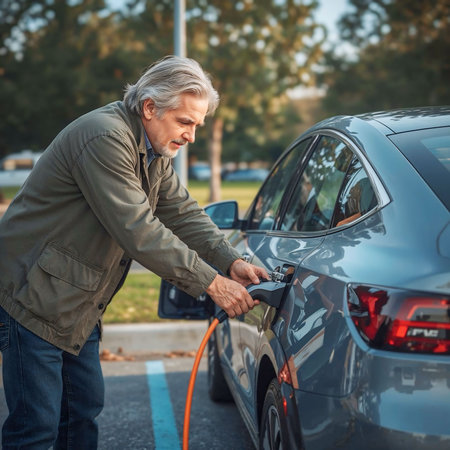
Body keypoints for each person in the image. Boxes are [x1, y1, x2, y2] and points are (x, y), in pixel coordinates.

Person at [0, 55, 268, 449]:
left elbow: (181, 212)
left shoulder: (154, 151)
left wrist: (232, 260)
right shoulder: (105, 137)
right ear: (149, 107)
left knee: (81, 414)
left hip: (75, 300)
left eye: (197, 125)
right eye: (185, 122)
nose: (191, 135)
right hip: (33, 299)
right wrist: (213, 283)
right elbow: (138, 230)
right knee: (36, 428)